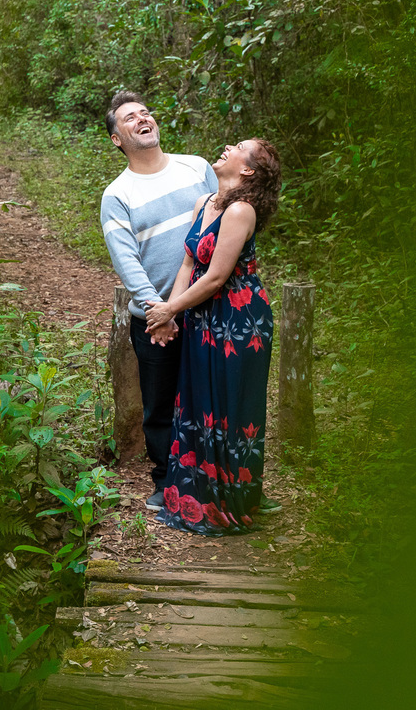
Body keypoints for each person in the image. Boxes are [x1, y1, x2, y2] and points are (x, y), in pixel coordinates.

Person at [144, 138, 283, 535]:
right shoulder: (205, 203)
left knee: (228, 405)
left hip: (238, 322)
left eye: (238, 146)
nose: (226, 146)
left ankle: (230, 499)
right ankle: (196, 493)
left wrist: (172, 309)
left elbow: (219, 276)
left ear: (248, 171)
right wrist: (167, 317)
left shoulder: (241, 210)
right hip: (203, 317)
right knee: (198, 400)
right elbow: (188, 263)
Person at [100, 91, 217, 512]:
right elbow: (125, 259)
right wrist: (158, 311)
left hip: (209, 306)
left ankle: (217, 477)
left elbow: (225, 220)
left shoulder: (198, 167)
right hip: (155, 320)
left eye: (146, 112)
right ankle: (166, 480)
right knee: (161, 404)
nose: (142, 119)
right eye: (130, 118)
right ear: (118, 139)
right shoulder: (118, 194)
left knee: (210, 393)